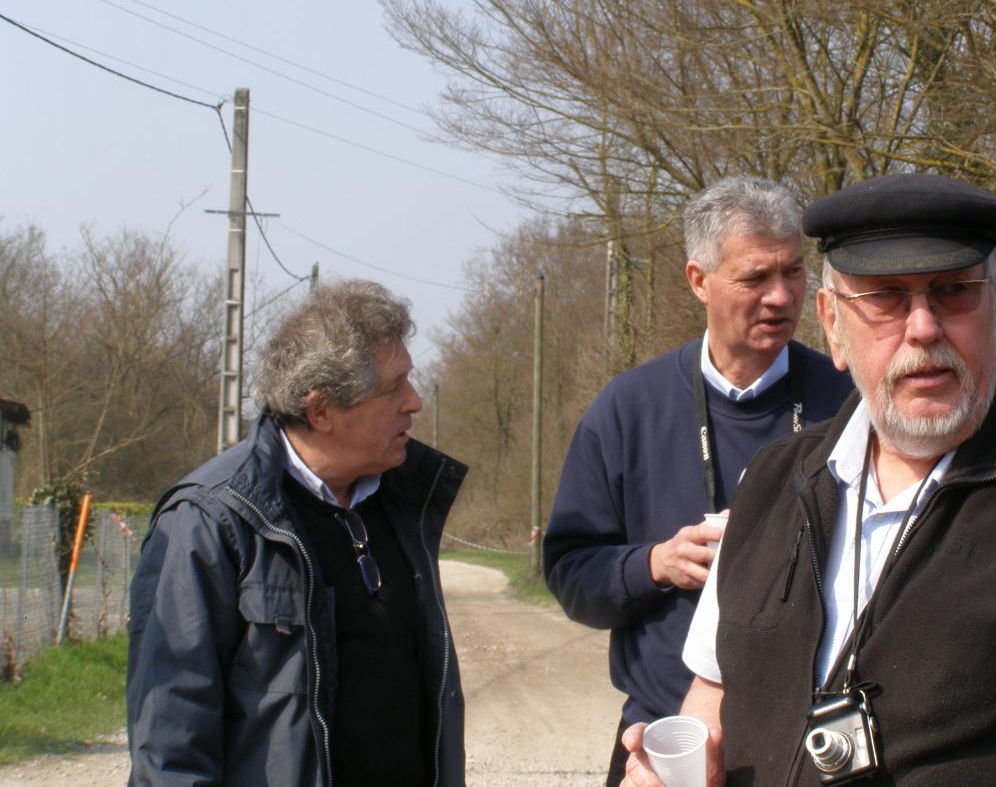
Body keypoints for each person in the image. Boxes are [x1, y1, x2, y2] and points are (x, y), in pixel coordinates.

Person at [620, 172, 996, 787]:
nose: (923, 327)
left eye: (953, 292)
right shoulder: (771, 482)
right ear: (831, 322)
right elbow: (713, 693)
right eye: (884, 297)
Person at [543, 175, 853, 786]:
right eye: (754, 278)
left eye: (793, 272)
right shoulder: (627, 409)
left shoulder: (848, 402)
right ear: (698, 281)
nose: (780, 296)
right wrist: (654, 564)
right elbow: (570, 573)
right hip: (667, 744)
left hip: (813, 745)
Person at [126, 280, 466, 787]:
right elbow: (171, 743)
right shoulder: (212, 519)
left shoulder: (403, 503)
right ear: (321, 410)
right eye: (393, 387)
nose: (414, 402)